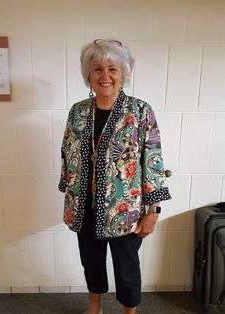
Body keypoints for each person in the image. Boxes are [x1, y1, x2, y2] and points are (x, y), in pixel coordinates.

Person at [58, 39, 171, 314]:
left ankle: (129, 312)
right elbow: (66, 152)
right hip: (85, 205)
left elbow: (153, 162)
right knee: (91, 262)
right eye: (97, 69)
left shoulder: (140, 111)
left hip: (126, 210)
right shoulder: (78, 111)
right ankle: (94, 307)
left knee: (127, 268)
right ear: (89, 75)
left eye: (113, 69)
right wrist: (68, 192)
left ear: (123, 74)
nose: (105, 76)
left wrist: (153, 211)